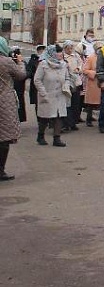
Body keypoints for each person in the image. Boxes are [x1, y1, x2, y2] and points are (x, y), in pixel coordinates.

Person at [34, 45, 74, 147]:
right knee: (45, 117)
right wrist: (43, 93)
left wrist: (66, 85)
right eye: (58, 52)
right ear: (52, 53)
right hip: (47, 94)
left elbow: (68, 78)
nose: (60, 54)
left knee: (59, 116)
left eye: (61, 52)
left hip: (60, 94)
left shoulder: (64, 65)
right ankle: (40, 135)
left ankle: (57, 138)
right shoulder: (43, 64)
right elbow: (37, 80)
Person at [0, 37, 28, 181]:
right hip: (4, 102)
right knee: (4, 138)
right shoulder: (6, 61)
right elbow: (21, 75)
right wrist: (20, 62)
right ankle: (1, 170)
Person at [62, 41, 84, 132]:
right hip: (67, 82)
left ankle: (74, 122)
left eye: (71, 48)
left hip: (76, 81)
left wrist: (79, 68)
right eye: (68, 48)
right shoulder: (63, 57)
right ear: (65, 48)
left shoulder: (76, 56)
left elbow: (81, 64)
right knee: (68, 104)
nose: (70, 50)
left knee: (76, 104)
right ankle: (67, 123)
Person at [81, 42, 102, 127]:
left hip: (101, 82)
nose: (100, 50)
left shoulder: (103, 57)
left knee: (102, 102)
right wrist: (94, 73)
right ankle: (89, 119)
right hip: (93, 83)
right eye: (99, 48)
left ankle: (102, 118)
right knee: (90, 103)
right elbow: (85, 70)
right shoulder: (91, 58)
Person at [10, 46, 26, 123]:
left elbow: (24, 74)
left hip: (19, 87)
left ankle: (18, 121)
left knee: (19, 105)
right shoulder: (8, 62)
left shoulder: (22, 62)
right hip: (9, 88)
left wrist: (20, 62)